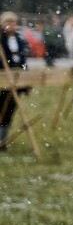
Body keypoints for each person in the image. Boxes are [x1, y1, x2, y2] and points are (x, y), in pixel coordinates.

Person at [0, 11, 30, 152]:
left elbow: (24, 63)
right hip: (4, 81)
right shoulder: (1, 41)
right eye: (8, 23)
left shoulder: (19, 41)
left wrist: (26, 84)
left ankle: (3, 141)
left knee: (9, 112)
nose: (12, 26)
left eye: (13, 23)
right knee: (1, 110)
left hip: (17, 81)